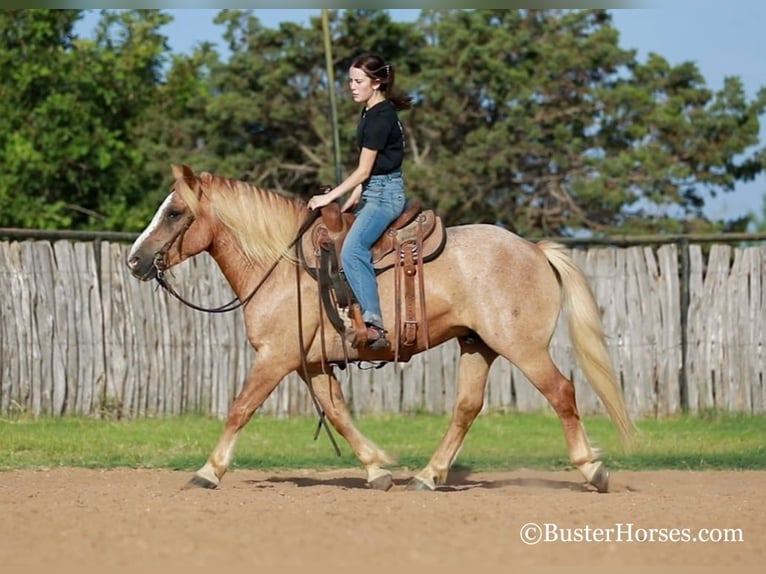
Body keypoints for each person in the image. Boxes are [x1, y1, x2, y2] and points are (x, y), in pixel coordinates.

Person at [307, 52, 412, 350]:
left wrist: (328, 196)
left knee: (353, 251)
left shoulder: (380, 117)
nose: (352, 86)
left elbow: (365, 169)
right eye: (350, 81)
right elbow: (373, 168)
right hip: (373, 192)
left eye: (358, 81)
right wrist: (355, 197)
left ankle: (374, 324)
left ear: (376, 82)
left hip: (385, 197)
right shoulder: (371, 110)